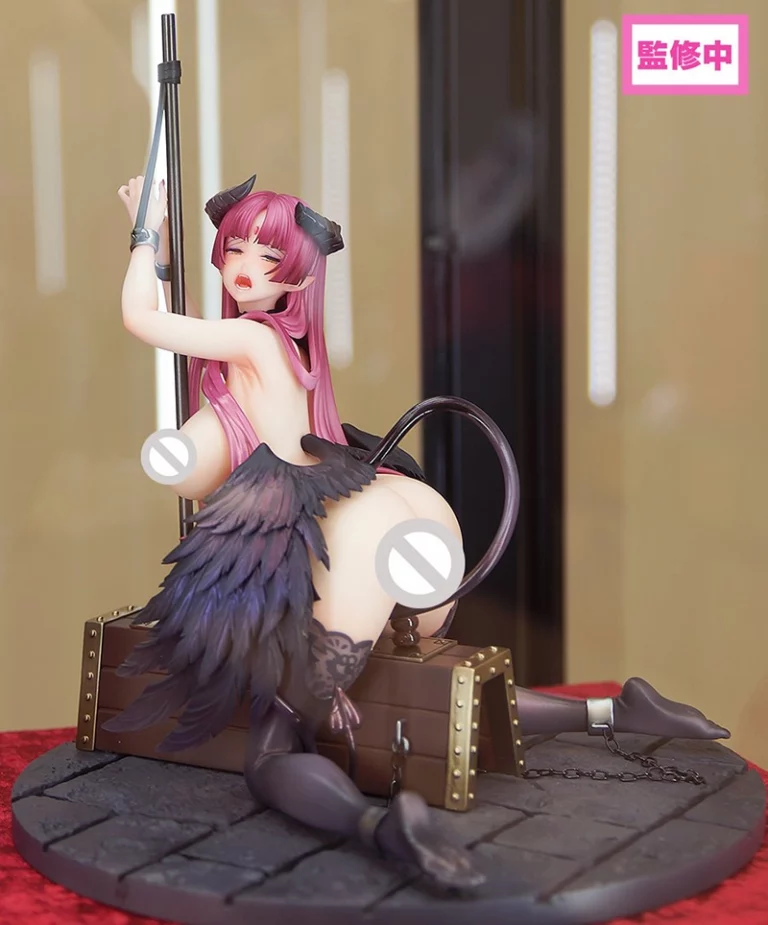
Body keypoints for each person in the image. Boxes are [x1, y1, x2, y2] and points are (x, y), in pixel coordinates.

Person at [106, 174, 729, 891]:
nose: (244, 268)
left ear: (297, 277)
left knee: (273, 747)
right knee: (410, 684)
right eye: (235, 249)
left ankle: (376, 826)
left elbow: (141, 318)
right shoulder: (294, 345)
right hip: (356, 501)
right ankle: (613, 710)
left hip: (293, 525)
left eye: (268, 257)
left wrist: (145, 235)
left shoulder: (251, 337)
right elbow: (204, 385)